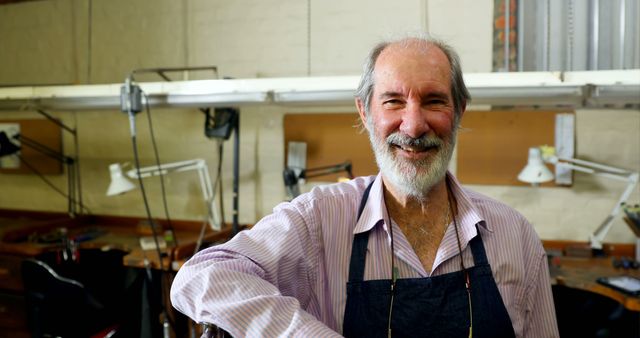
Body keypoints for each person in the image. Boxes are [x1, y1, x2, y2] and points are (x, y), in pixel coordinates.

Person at [170, 35, 559, 338]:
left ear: (458, 112)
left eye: (434, 101)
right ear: (365, 112)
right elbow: (200, 276)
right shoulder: (319, 220)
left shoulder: (514, 235)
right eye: (393, 101)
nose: (413, 125)